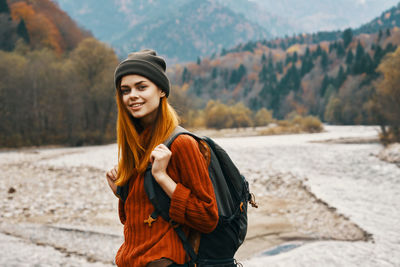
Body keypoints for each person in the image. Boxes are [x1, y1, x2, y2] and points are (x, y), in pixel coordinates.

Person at [106, 49, 219, 267]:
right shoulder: (137, 145)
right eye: (125, 90)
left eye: (141, 87)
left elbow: (207, 218)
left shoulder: (181, 144)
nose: (132, 96)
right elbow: (136, 223)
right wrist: (121, 192)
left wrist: (162, 177)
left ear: (161, 91)